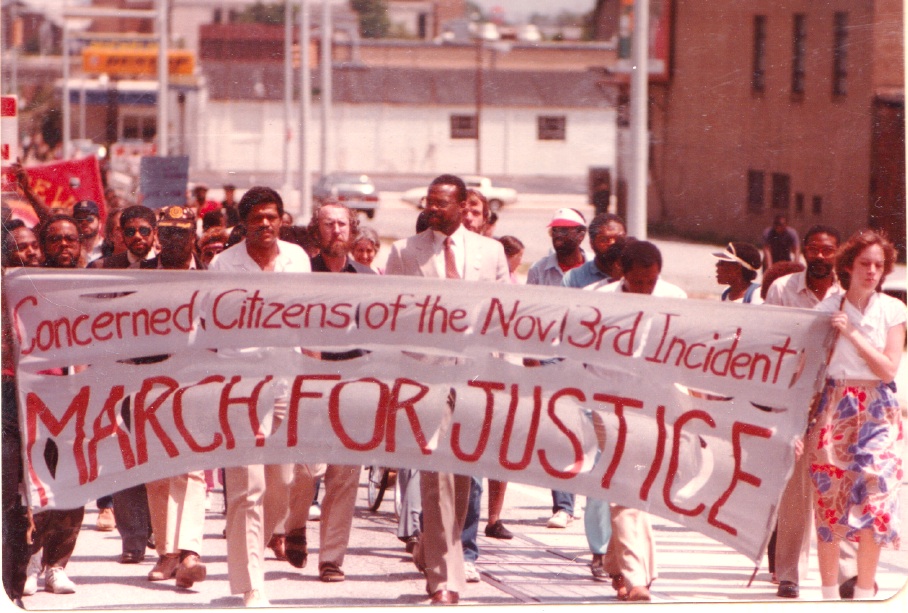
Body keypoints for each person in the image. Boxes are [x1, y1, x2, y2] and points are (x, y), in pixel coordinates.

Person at [385, 174, 509, 605]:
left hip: (475, 377)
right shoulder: (405, 252)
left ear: (462, 206)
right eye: (429, 203)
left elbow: (502, 317)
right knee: (434, 472)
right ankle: (445, 577)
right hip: (425, 378)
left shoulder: (491, 253)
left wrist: (505, 376)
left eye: (441, 204)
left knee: (463, 476)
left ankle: (433, 546)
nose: (433, 209)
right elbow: (391, 315)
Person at [208, 186, 312, 607]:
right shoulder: (222, 264)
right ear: (244, 223)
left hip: (288, 379)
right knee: (245, 488)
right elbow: (212, 323)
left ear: (282, 220)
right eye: (257, 218)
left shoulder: (298, 260)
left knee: (282, 483)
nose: (265, 224)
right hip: (241, 386)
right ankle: (252, 583)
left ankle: (263, 539)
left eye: (272, 216)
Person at [807, 229, 904, 601]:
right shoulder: (826, 309)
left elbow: (888, 369)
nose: (872, 271)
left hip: (878, 409)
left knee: (876, 499)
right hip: (835, 406)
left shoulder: (893, 310)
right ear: (848, 266)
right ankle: (830, 594)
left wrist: (852, 334)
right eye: (865, 264)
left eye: (879, 265)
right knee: (830, 503)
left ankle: (864, 593)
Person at [282, 201, 375, 583]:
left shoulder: (368, 277)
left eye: (342, 224)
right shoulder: (304, 275)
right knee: (307, 468)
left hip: (354, 385)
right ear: (316, 231)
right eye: (328, 224)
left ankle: (332, 558)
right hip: (310, 382)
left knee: (345, 474)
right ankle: (296, 524)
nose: (336, 230)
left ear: (352, 230)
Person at [589, 240, 683, 601]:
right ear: (621, 274)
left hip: (655, 408)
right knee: (626, 488)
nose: (645, 289)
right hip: (608, 406)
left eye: (651, 282)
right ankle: (636, 577)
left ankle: (616, 567)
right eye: (638, 282)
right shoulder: (599, 301)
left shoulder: (674, 298)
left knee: (636, 487)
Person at [764, 225, 854, 599]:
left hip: (836, 402)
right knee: (794, 492)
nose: (819, 256)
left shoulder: (849, 297)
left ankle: (847, 573)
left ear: (838, 255)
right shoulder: (782, 290)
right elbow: (766, 341)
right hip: (793, 402)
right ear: (804, 254)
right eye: (813, 250)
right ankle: (789, 575)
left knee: (837, 488)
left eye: (827, 250)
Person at [137, 206, 208, 589]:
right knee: (157, 468)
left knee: (192, 467)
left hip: (198, 383)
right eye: (170, 232)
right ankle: (167, 552)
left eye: (184, 232)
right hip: (149, 382)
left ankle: (190, 551)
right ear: (160, 236)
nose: (177, 239)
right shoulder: (141, 276)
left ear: (194, 235)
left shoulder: (211, 278)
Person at [527, 207, 588, 529]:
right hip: (551, 355)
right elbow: (530, 318)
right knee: (558, 429)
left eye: (566, 231)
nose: (559, 237)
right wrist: (531, 357)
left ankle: (589, 497)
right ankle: (563, 504)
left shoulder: (594, 270)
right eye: (555, 231)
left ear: (581, 235)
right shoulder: (539, 271)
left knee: (591, 431)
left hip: (589, 358)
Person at [563, 213, 626, 289]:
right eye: (604, 239)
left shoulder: (637, 273)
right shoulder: (574, 279)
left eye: (619, 238)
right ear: (592, 243)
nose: (613, 244)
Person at [88, 205, 157, 269]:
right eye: (130, 231)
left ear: (155, 232)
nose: (137, 236)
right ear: (122, 233)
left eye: (144, 231)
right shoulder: (103, 266)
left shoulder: (165, 265)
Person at [72, 200, 104, 266]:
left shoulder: (111, 248)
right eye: (79, 219)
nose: (84, 222)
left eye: (89, 218)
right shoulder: (70, 250)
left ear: (99, 223)